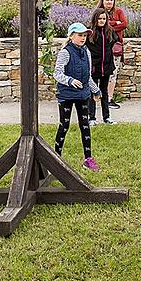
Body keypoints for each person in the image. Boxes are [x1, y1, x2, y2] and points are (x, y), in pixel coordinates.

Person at [53, 22, 101, 172]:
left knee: (85, 125)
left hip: (83, 95)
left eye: (85, 35)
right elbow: (57, 73)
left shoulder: (86, 52)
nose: (83, 38)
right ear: (72, 36)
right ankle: (56, 158)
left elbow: (88, 76)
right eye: (80, 35)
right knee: (64, 126)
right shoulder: (65, 52)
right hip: (66, 95)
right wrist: (70, 81)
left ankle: (88, 159)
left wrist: (96, 90)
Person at [95, 0, 128, 109]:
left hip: (115, 47)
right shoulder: (98, 12)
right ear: (103, 1)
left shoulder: (118, 11)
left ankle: (109, 98)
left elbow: (124, 24)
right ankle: (97, 97)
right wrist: (115, 23)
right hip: (101, 47)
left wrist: (109, 25)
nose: (109, 2)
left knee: (113, 73)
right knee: (98, 72)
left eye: (111, 0)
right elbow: (98, 25)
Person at [86, 8, 118, 126]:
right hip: (94, 68)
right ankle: (92, 117)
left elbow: (114, 41)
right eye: (100, 18)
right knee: (93, 92)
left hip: (107, 67)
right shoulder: (90, 33)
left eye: (104, 18)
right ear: (95, 19)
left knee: (104, 92)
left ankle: (107, 117)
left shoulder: (109, 31)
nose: (102, 21)